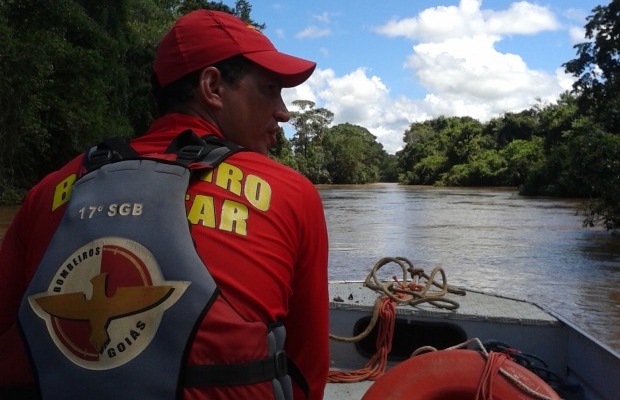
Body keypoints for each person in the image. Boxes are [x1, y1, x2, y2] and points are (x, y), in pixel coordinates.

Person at [0, 9, 329, 400]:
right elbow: (307, 375)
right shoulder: (291, 193)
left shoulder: (44, 194)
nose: (283, 112)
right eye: (270, 89)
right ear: (213, 87)